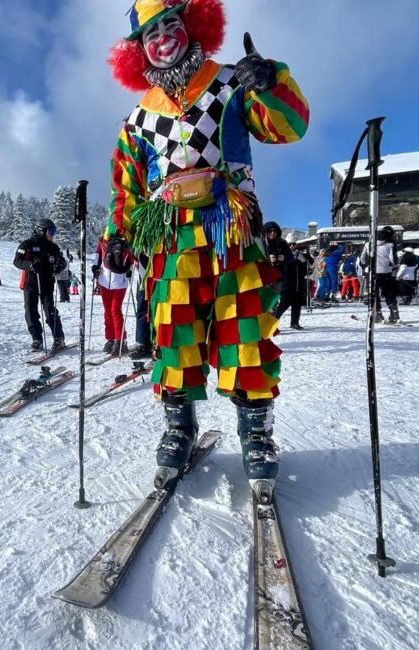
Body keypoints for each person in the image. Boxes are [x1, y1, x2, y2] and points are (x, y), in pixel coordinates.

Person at [105, 0, 309, 492]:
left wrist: (270, 81)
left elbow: (288, 127)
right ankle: (179, 426)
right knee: (174, 333)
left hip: (230, 229)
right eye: (150, 33)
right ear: (139, 51)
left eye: (170, 23)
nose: (163, 37)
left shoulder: (228, 81)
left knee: (245, 331)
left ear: (191, 24)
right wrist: (118, 235)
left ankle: (256, 432)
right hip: (170, 239)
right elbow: (126, 188)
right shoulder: (137, 118)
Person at [13, 218, 67, 352]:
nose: (52, 234)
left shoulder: (53, 247)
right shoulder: (27, 245)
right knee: (31, 312)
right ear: (41, 230)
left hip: (47, 283)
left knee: (50, 311)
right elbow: (17, 261)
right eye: (51, 231)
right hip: (30, 283)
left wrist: (59, 267)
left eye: (54, 231)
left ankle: (58, 338)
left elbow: (61, 261)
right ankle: (36, 339)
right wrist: (30, 265)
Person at [92, 235, 135, 355]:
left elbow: (131, 257)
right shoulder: (104, 241)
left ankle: (120, 340)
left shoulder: (126, 242)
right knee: (107, 311)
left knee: (115, 310)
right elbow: (98, 255)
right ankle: (110, 339)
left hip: (119, 281)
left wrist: (130, 269)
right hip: (105, 281)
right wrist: (95, 268)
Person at [360, 226, 400, 323]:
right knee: (389, 293)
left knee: (374, 293)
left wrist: (364, 265)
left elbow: (362, 257)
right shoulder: (390, 243)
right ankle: (394, 313)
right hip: (386, 271)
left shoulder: (368, 243)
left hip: (372, 271)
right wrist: (394, 266)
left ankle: (378, 314)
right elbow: (393, 259)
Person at [263, 222, 292, 320]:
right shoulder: (262, 243)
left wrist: (284, 258)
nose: (272, 233)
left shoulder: (282, 243)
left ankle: (271, 324)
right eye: (270, 231)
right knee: (264, 301)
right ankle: (263, 324)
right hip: (264, 278)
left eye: (275, 231)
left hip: (278, 277)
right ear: (265, 232)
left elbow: (291, 257)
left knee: (274, 301)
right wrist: (267, 259)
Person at [279, 233, 308, 329]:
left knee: (297, 305)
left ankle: (294, 323)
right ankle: (271, 324)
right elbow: (281, 268)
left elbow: (307, 270)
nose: (292, 246)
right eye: (289, 244)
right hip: (287, 284)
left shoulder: (300, 254)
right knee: (283, 305)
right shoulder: (282, 253)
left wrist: (303, 261)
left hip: (298, 284)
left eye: (294, 244)